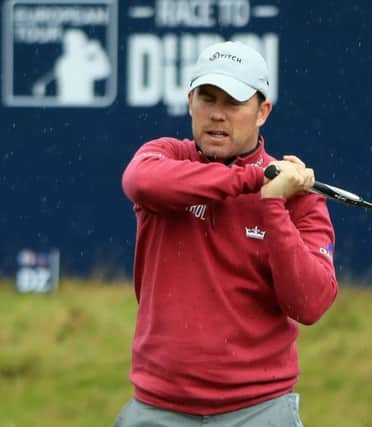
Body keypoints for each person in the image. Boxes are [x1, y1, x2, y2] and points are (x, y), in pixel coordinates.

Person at [115, 41, 338, 427]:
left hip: (260, 409)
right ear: (189, 102)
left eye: (233, 102)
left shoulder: (296, 196)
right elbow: (140, 181)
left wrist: (273, 205)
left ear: (263, 111)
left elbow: (311, 303)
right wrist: (255, 177)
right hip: (157, 407)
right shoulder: (167, 154)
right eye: (207, 98)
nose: (217, 115)